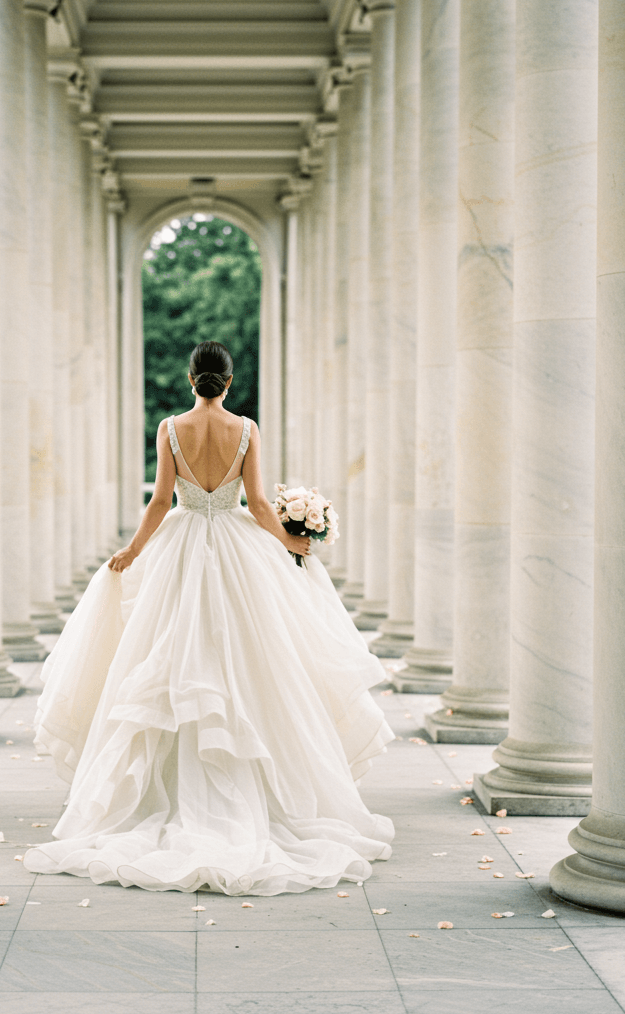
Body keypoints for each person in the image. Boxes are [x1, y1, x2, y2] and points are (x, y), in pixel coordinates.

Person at [24, 341, 394, 896]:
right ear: (229, 380)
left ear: (190, 376)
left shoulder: (171, 428)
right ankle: (259, 791)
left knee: (170, 655)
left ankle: (162, 791)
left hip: (181, 541)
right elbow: (259, 502)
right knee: (252, 659)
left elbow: (159, 501)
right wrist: (290, 539)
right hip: (238, 546)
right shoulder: (246, 429)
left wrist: (133, 551)